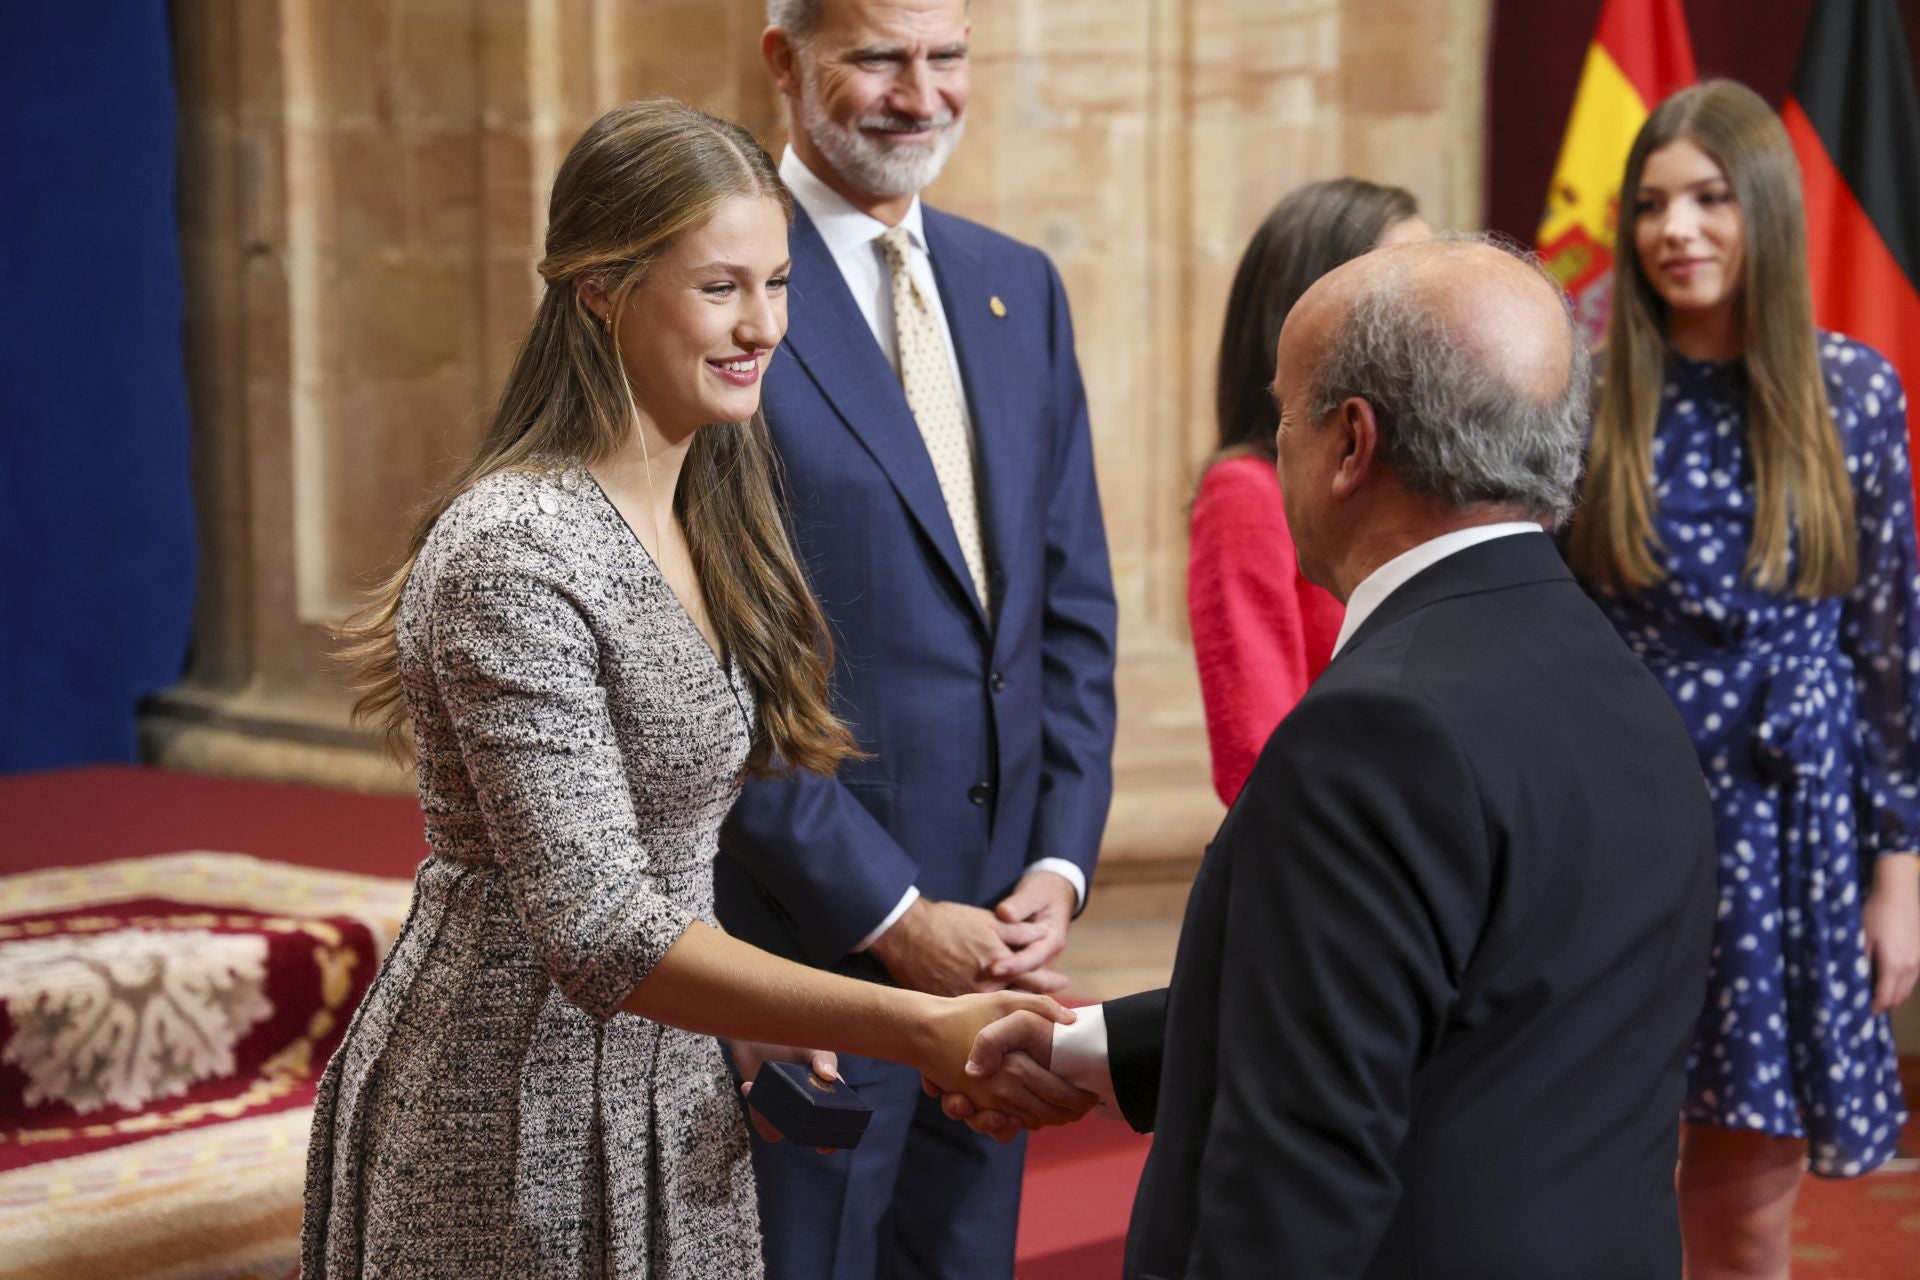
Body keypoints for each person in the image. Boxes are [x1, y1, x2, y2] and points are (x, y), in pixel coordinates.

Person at [302, 99, 1091, 1280]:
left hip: (673, 1082)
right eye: (721, 287)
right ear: (600, 289)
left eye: (778, 284)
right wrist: (915, 1022)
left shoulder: (711, 496)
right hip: (510, 1103)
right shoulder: (515, 544)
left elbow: (676, 852)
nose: (764, 325)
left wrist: (742, 1014)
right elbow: (602, 927)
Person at [945, 236, 1722, 1279]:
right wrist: (1086, 1047)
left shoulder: (1374, 735)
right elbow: (1450, 1006)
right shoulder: (1620, 680)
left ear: (1351, 441)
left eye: (1283, 415)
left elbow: (1296, 1181)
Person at [713, 2, 1119, 1276]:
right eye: (878, 56)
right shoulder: (727, 296)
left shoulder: (1018, 287)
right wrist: (891, 915)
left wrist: (1057, 863)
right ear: (785, 61)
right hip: (811, 955)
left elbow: (1069, 613)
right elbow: (716, 666)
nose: (920, 94)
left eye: (947, 58)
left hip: (1001, 953)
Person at [1565, 79, 1920, 1279]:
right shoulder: (1589, 395)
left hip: (1791, 826)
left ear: (1763, 208)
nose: (1679, 229)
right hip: (1625, 820)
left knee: (1749, 1204)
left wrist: (1902, 870)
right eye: (1654, 204)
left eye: (1711, 198)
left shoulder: (1855, 393)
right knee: (1589, 1155)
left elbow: (1890, 652)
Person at [1193, 178, 1427, 804]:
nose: (1432, 310)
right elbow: (1258, 757)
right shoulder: (1246, 493)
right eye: (1399, 286)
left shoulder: (1418, 479)